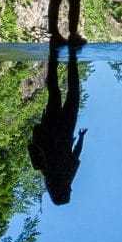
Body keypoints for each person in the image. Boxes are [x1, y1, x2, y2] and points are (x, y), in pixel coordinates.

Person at [26, 44, 85, 206]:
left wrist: (81, 137)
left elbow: (76, 153)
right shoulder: (45, 171)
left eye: (69, 192)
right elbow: (32, 146)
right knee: (55, 93)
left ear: (64, 190)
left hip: (65, 127)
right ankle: (53, 58)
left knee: (73, 93)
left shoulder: (67, 175)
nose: (72, 190)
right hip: (50, 127)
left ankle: (72, 57)